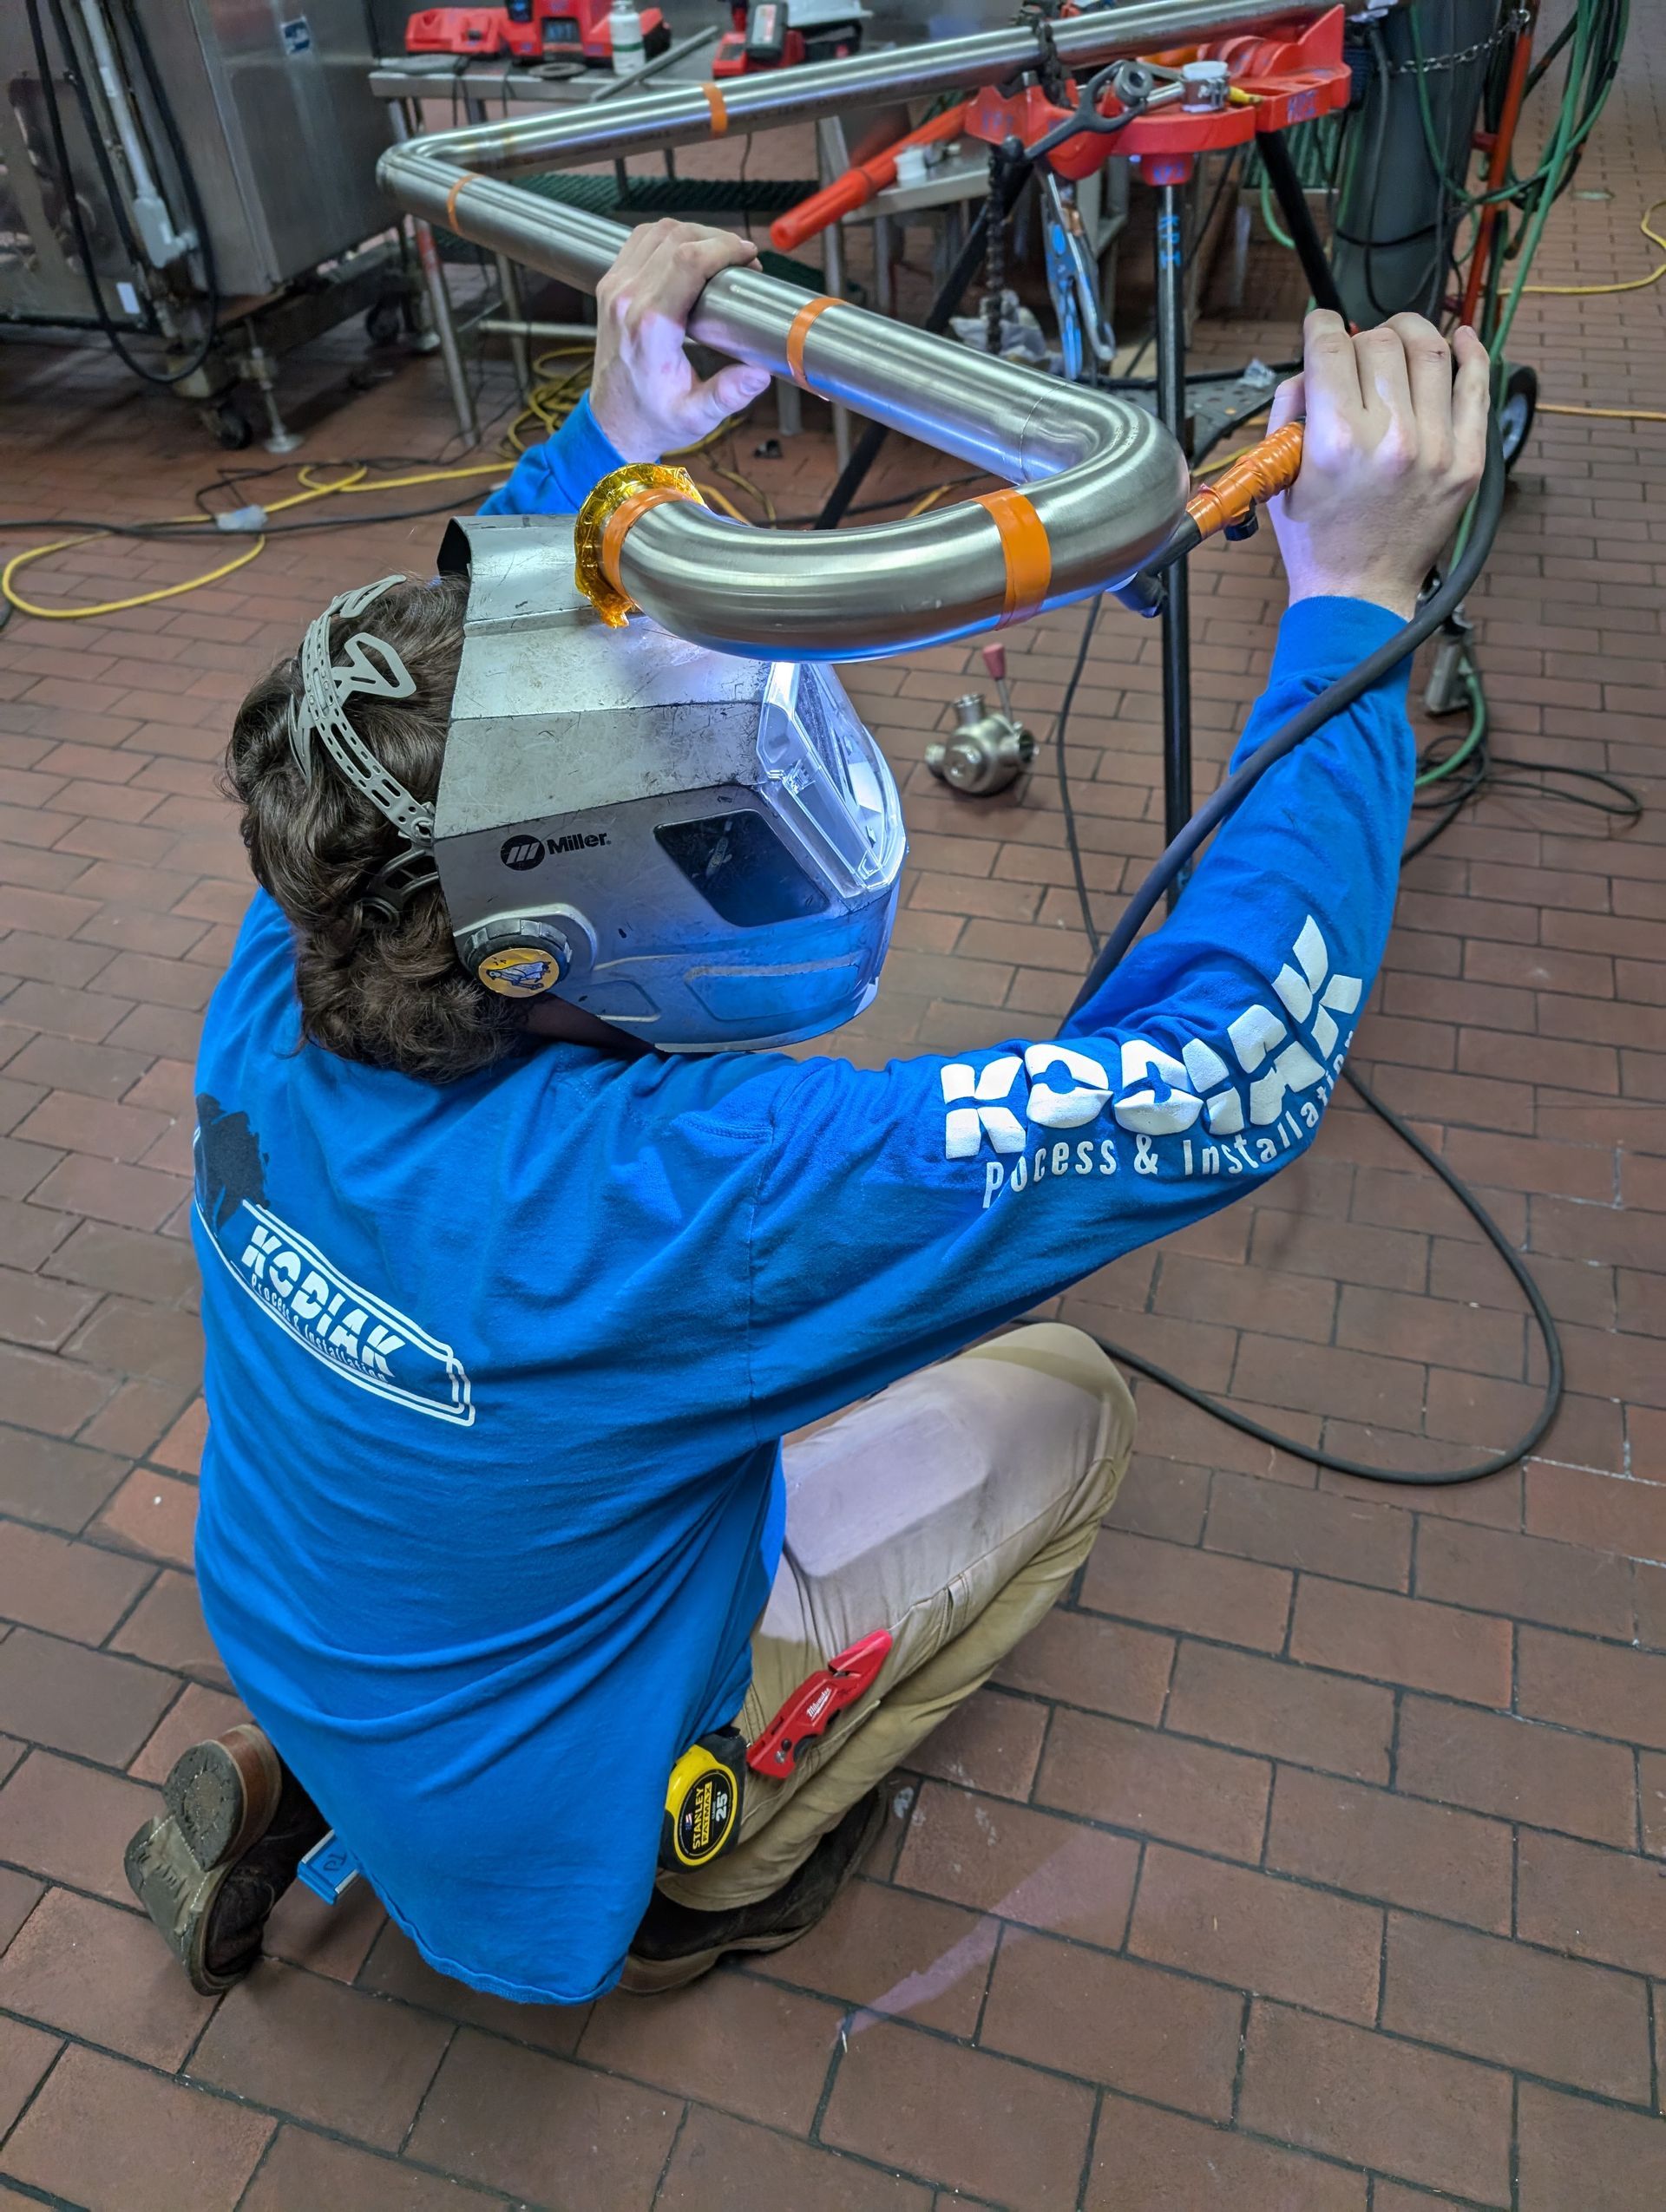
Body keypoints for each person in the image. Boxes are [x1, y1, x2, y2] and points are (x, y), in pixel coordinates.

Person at [128, 220, 1489, 2004]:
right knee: (1062, 1403)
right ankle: (697, 1861)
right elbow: (1232, 1066)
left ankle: (337, 1774)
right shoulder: (686, 1191)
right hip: (541, 1830)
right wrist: (1356, 604)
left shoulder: (305, 937)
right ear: (539, 947)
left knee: (604, 1434)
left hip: (311, 1619)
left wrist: (615, 435)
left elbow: (415, 707)